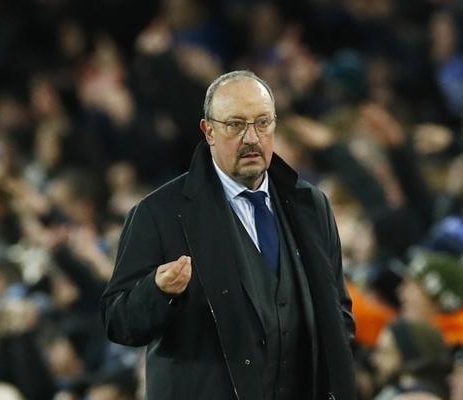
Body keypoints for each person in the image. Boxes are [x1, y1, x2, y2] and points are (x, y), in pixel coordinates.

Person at [100, 70, 357, 400]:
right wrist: (157, 290)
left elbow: (338, 312)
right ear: (208, 131)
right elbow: (118, 321)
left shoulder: (311, 205)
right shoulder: (158, 213)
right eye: (235, 125)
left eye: (262, 123)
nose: (251, 138)